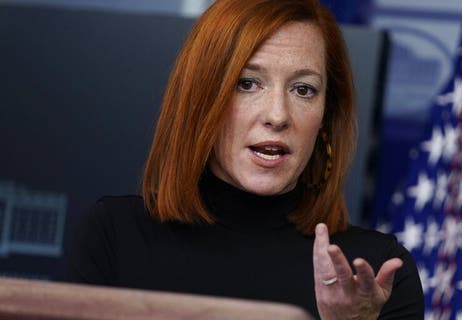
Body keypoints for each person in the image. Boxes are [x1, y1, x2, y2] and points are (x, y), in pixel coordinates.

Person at [66, 0, 424, 318]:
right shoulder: (114, 236)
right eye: (248, 83)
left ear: (326, 117)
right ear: (201, 98)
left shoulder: (377, 277)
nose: (278, 115)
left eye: (303, 89)